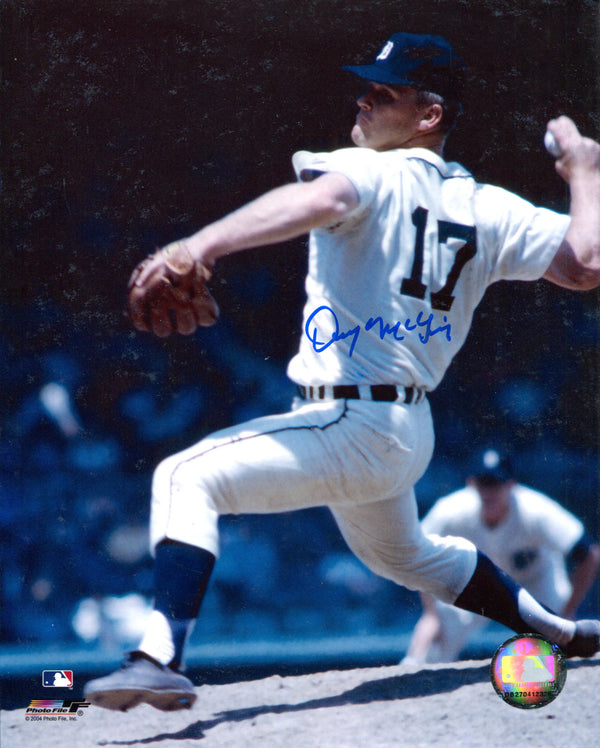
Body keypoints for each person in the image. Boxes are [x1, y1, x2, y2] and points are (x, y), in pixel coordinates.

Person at [84, 32, 600, 711]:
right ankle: (557, 629)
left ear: (429, 117)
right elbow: (584, 265)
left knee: (184, 476)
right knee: (404, 557)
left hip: (351, 418)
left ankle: (157, 656)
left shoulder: (372, 168)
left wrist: (199, 245)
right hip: (404, 430)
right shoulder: (489, 207)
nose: (363, 97)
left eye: (384, 93)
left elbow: (322, 203)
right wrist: (584, 174)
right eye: (366, 85)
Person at [403, 448, 600, 665]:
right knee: (437, 631)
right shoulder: (451, 511)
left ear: (511, 484)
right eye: (483, 482)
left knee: (561, 640)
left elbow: (589, 553)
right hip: (477, 584)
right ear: (471, 483)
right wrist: (431, 613)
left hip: (535, 582)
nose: (489, 491)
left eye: (495, 483)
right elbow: (419, 554)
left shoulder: (535, 510)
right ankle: (411, 672)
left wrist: (568, 610)